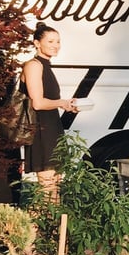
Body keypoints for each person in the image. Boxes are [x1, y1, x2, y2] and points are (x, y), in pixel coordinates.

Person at [21, 22, 77, 202]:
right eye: (51, 41)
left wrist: (67, 104)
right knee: (48, 188)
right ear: (37, 43)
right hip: (41, 130)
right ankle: (41, 228)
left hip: (52, 128)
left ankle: (52, 228)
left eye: (58, 41)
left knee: (55, 186)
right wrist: (62, 103)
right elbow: (37, 103)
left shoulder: (46, 66)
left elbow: (49, 101)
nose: (56, 45)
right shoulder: (34, 65)